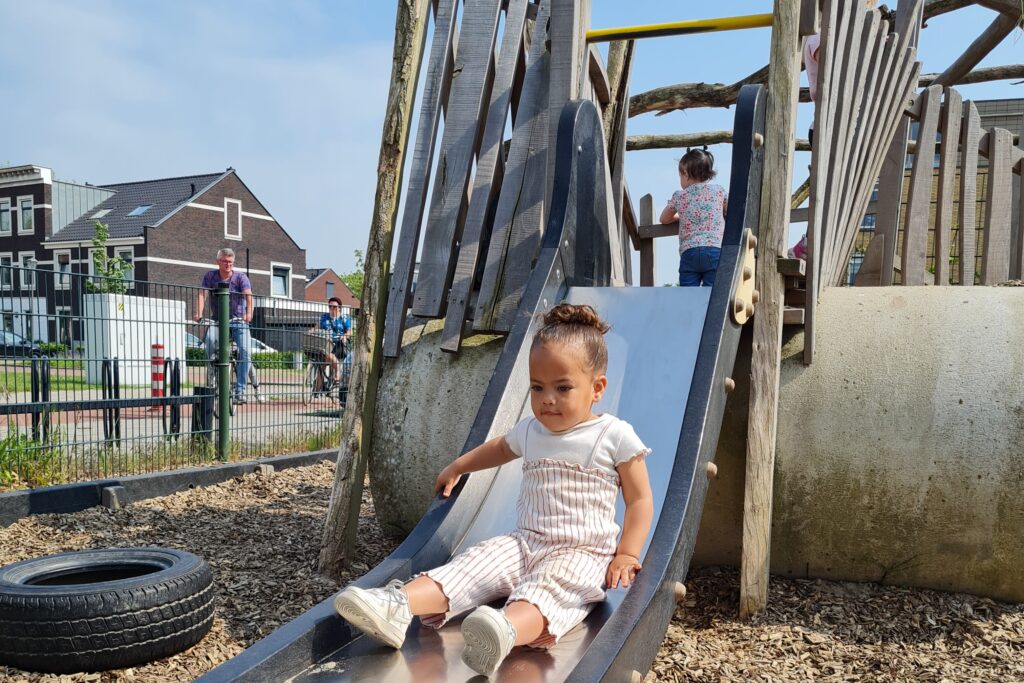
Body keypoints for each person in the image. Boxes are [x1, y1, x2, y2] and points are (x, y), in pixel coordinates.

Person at [334, 303, 654, 677]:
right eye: (537, 387)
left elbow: (640, 499)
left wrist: (627, 554)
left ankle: (506, 629)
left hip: (581, 552)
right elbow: (500, 448)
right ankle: (397, 605)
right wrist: (459, 465)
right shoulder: (532, 429)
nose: (547, 398)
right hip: (524, 542)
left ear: (597, 388)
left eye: (563, 387)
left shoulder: (613, 435)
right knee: (474, 562)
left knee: (551, 589)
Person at [659, 148, 728, 287]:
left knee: (688, 295)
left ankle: (690, 309)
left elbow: (664, 219)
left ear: (685, 173)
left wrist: (681, 216)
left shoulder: (679, 196)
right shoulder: (719, 192)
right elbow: (728, 211)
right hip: (714, 249)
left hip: (689, 252)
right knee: (712, 295)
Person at [194, 248, 254, 404]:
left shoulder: (240, 277)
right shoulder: (210, 276)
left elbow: (248, 295)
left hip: (238, 321)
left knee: (245, 351)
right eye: (224, 261)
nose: (228, 264)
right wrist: (198, 313)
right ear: (218, 262)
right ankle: (212, 375)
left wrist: (249, 314)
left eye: (230, 262)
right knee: (209, 342)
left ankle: (240, 390)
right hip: (218, 320)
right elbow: (202, 294)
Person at [318, 296, 351, 386]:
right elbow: (317, 326)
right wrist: (311, 331)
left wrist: (345, 336)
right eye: (330, 306)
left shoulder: (344, 318)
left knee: (330, 355)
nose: (332, 308)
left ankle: (337, 372)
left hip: (339, 344)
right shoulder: (324, 317)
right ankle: (316, 391)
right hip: (325, 342)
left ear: (339, 308)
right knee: (320, 367)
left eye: (334, 306)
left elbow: (349, 331)